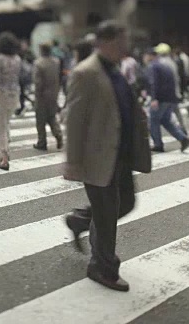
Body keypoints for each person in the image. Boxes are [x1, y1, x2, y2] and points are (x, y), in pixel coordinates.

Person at [63, 20, 152, 292]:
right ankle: (102, 268)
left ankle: (79, 220)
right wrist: (73, 161)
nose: (127, 47)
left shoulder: (114, 69)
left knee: (125, 203)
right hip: (97, 157)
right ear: (107, 42)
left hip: (120, 155)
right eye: (122, 41)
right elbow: (75, 121)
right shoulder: (85, 72)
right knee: (105, 216)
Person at [144, 49, 189, 153]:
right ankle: (183, 138)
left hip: (160, 98)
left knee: (153, 120)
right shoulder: (165, 65)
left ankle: (158, 144)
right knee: (165, 120)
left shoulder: (153, 66)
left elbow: (154, 82)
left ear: (150, 56)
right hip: (170, 98)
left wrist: (154, 98)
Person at [0, 32, 22, 171]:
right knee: (7, 122)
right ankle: (6, 148)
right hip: (14, 93)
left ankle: (4, 158)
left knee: (1, 126)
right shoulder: (18, 59)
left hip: (1, 94)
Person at [32, 43, 63, 151]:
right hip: (53, 94)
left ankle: (42, 142)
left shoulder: (38, 63)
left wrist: (36, 96)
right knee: (52, 117)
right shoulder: (56, 62)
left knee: (40, 121)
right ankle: (58, 134)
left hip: (42, 96)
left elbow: (38, 83)